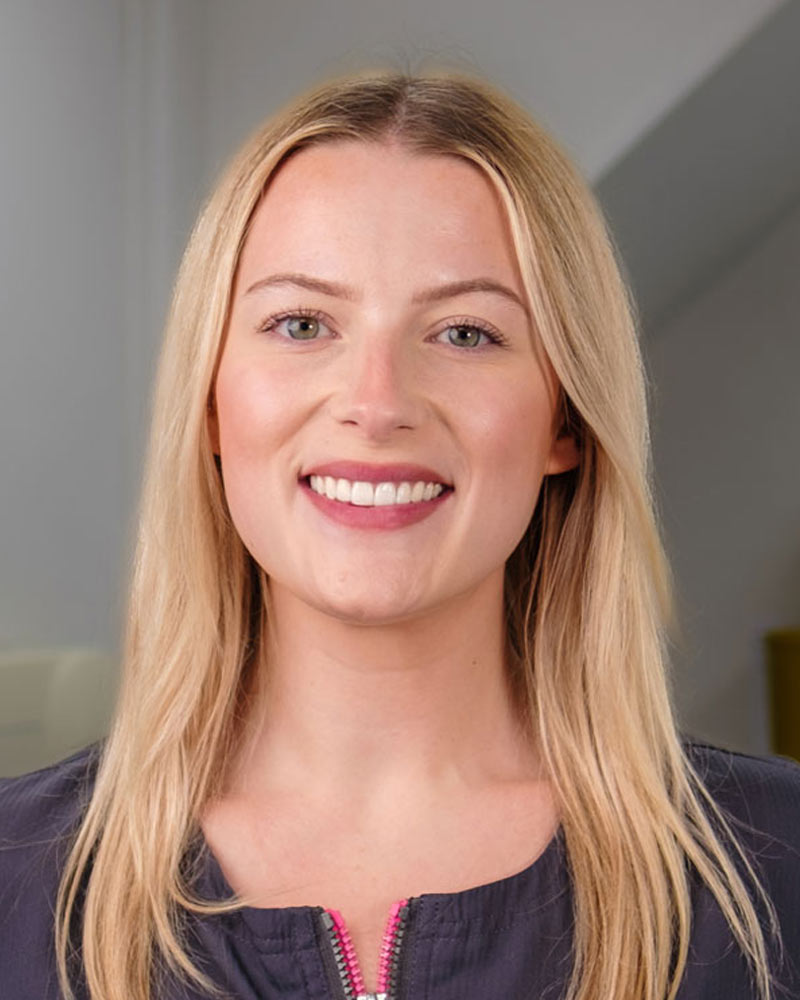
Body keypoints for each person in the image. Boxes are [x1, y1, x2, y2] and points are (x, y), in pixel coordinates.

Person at [1, 70, 799, 1000]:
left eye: (465, 334)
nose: (377, 405)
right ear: (213, 407)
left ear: (565, 421)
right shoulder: (16, 883)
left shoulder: (777, 872)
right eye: (302, 323)